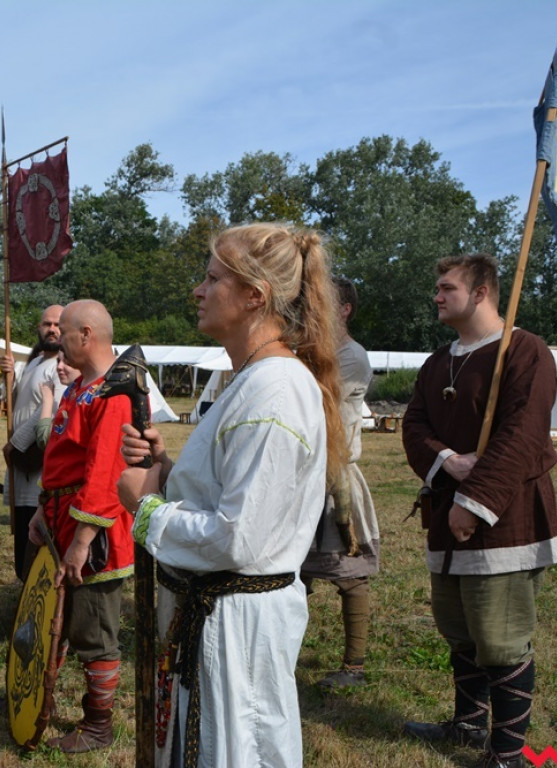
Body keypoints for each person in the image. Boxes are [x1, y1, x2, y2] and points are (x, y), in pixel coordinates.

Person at [117, 223, 345, 768]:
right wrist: (167, 471)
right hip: (216, 615)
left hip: (234, 626)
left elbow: (238, 537)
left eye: (212, 278)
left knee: (236, 752)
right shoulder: (250, 379)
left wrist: (145, 509)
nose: (198, 290)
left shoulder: (274, 390)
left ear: (254, 295)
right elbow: (233, 494)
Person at [401, 253, 557, 768]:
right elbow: (414, 426)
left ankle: (508, 754)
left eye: (447, 288)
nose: (437, 296)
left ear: (481, 292)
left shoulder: (526, 352)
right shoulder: (437, 362)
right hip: (448, 514)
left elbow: (523, 436)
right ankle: (469, 723)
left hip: (505, 519)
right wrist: (448, 460)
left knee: (499, 636)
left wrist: (474, 502)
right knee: (459, 627)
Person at [27, 299, 135, 754]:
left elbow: (106, 473)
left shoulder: (114, 393)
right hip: (61, 520)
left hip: (95, 533)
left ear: (86, 335)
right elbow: (62, 457)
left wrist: (83, 540)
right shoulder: (79, 387)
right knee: (55, 617)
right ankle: (39, 698)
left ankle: (98, 725)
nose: (58, 341)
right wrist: (42, 508)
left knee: (93, 630)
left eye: (66, 332)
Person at [300, 277, 380, 689]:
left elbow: (317, 406)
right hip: (303, 476)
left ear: (344, 309)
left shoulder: (352, 357)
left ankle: (354, 667)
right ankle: (279, 654)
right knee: (292, 574)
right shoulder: (313, 352)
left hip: (335, 477)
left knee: (349, 575)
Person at [0, 304, 66, 580]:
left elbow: (52, 408)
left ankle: (36, 589)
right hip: (22, 462)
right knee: (23, 532)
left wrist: (16, 442)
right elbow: (16, 402)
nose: (52, 329)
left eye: (58, 324)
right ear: (39, 328)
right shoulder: (35, 362)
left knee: (37, 533)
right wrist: (10, 377)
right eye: (47, 324)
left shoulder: (61, 366)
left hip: (37, 460)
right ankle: (24, 584)